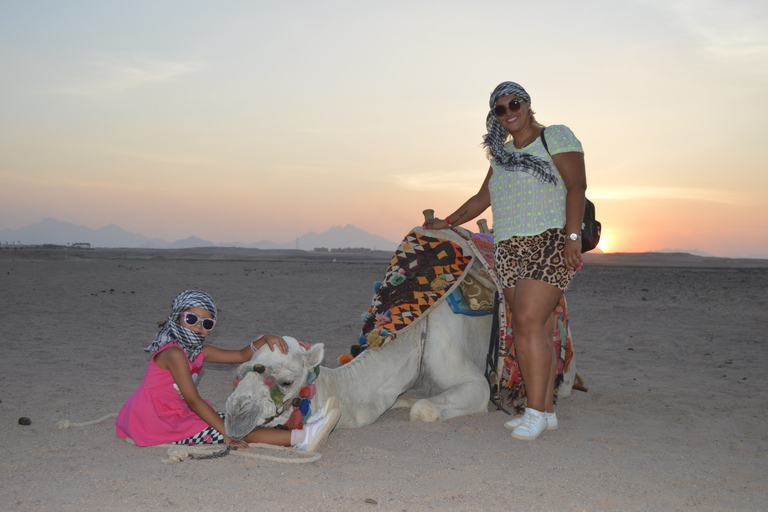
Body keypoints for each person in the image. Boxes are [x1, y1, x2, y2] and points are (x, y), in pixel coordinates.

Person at [422, 81, 586, 440]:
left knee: (527, 321)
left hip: (550, 241)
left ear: (528, 104)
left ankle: (535, 412)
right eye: (500, 108)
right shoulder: (501, 155)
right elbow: (483, 198)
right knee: (536, 327)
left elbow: (577, 186)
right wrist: (447, 223)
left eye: (515, 103)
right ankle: (547, 410)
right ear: (494, 115)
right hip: (508, 248)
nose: (509, 112)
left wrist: (572, 236)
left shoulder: (555, 136)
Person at [116, 289, 340, 451]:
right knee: (238, 429)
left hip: (176, 411)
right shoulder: (173, 354)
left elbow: (242, 355)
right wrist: (226, 433)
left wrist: (264, 339)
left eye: (206, 323)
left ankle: (303, 426)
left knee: (240, 419)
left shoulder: (199, 351)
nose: (198, 326)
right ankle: (302, 437)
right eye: (192, 319)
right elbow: (194, 400)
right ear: (177, 318)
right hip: (157, 420)